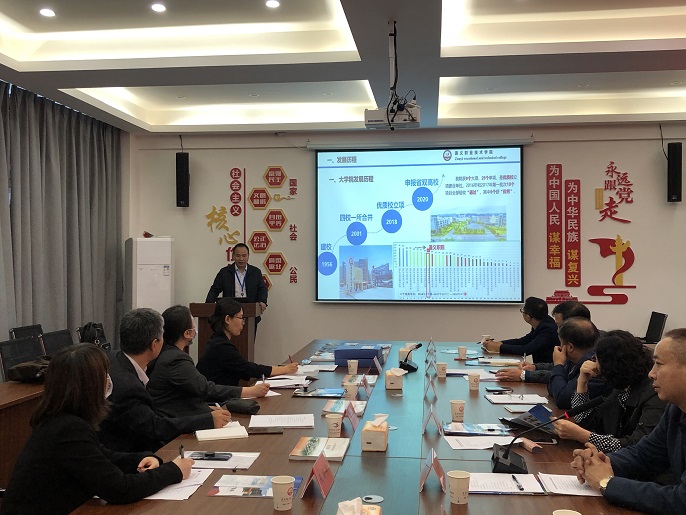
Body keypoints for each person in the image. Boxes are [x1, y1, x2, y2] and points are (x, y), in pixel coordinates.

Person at [0, 344, 194, 514]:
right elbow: (119, 489)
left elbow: (103, 456)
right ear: (89, 386)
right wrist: (174, 471)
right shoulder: (67, 429)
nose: (109, 381)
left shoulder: (61, 419)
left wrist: (141, 459)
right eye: (104, 376)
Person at [570, 328, 686, 513]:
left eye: (658, 364)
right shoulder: (676, 410)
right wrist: (597, 462)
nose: (651, 373)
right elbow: (644, 455)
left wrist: (606, 482)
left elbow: (681, 500)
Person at [98, 308, 232, 452]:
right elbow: (154, 427)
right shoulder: (128, 387)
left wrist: (199, 410)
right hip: (129, 454)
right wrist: (207, 420)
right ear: (154, 344)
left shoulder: (112, 358)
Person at [147, 305, 270, 418]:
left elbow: (180, 397)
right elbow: (206, 389)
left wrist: (207, 408)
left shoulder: (165, 353)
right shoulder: (175, 360)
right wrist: (250, 391)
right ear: (187, 333)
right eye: (193, 324)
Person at [555, 330, 666, 451]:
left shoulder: (654, 395)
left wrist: (584, 436)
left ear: (610, 364)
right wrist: (582, 383)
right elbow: (587, 422)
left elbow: (636, 445)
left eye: (596, 359)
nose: (595, 364)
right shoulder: (623, 387)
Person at [497, 316, 610, 409]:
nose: (558, 347)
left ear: (570, 347)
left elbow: (562, 399)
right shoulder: (575, 359)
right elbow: (553, 387)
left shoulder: (594, 366)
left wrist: (558, 364)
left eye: (560, 343)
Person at [197, 298, 298, 386]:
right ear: (227, 319)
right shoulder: (221, 346)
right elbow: (249, 369)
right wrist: (285, 369)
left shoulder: (217, 341)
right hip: (216, 400)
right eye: (241, 318)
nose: (243, 323)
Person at [496, 301, 594, 385]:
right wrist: (534, 367)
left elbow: (565, 378)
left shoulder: (593, 354)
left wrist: (524, 375)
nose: (557, 331)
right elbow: (558, 367)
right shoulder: (577, 343)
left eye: (559, 326)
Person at [206, 243, 268, 328]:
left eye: (244, 255)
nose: (241, 259)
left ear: (248, 256)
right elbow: (214, 290)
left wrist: (262, 301)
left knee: (249, 336)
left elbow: (262, 289)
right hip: (229, 314)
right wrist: (208, 305)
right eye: (238, 255)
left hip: (250, 314)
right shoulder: (224, 272)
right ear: (233, 256)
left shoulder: (255, 272)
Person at [482, 296, 559, 362]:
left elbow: (526, 350)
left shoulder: (548, 330)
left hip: (547, 370)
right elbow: (523, 341)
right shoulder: (543, 322)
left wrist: (499, 347)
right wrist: (499, 343)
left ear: (528, 317)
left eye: (523, 311)